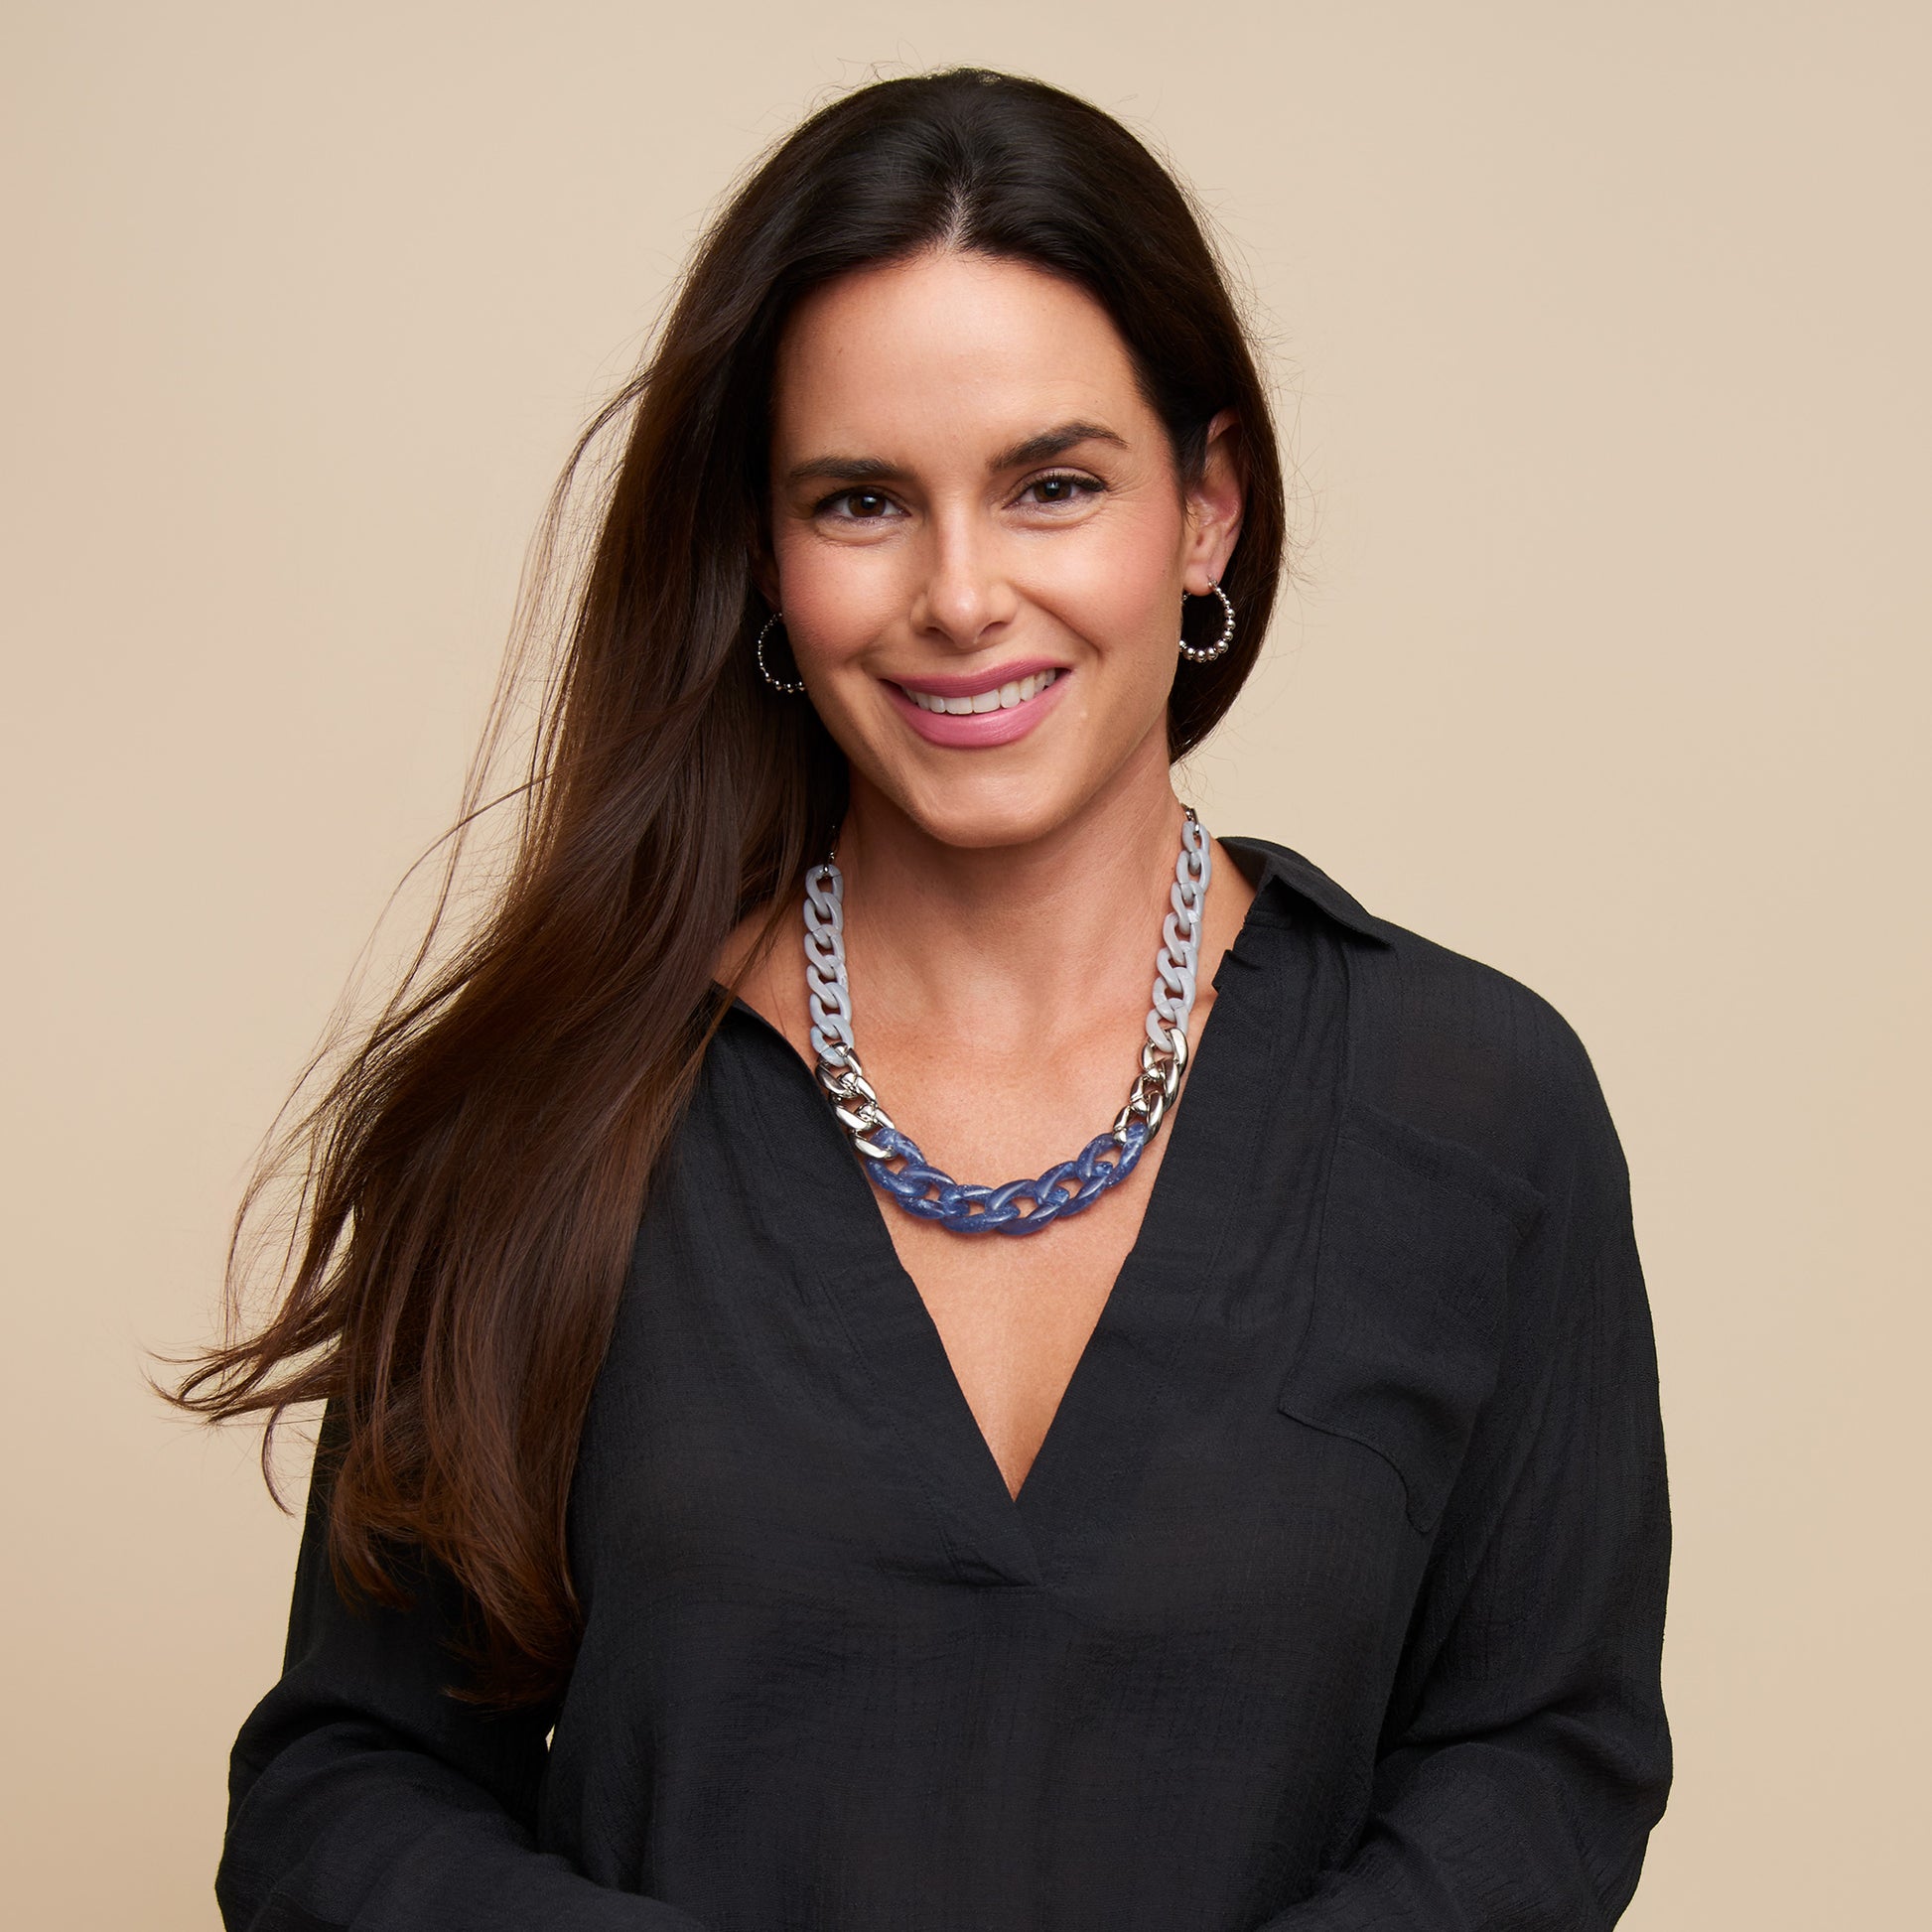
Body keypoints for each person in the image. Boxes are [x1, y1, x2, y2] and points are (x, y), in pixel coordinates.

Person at [172, 67, 1671, 1932]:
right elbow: (341, 1789)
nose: (961, 595)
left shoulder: (1478, 1107)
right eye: (862, 499)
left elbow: (1546, 1750)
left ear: (1202, 510)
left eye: (1053, 485)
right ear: (761, 556)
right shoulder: (551, 1105)